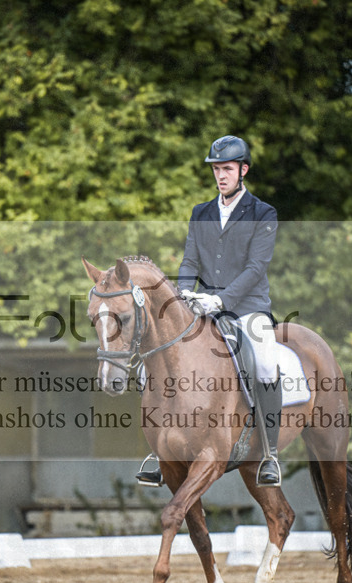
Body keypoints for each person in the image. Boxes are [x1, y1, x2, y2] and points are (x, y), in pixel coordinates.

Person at [136, 134, 283, 488]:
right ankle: (160, 452)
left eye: (227, 169)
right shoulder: (201, 212)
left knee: (264, 360)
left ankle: (269, 454)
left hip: (246, 307)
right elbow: (189, 260)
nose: (221, 175)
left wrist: (221, 300)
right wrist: (184, 293)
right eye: (217, 169)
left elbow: (255, 268)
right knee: (153, 365)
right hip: (201, 306)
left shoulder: (263, 213)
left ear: (243, 170)